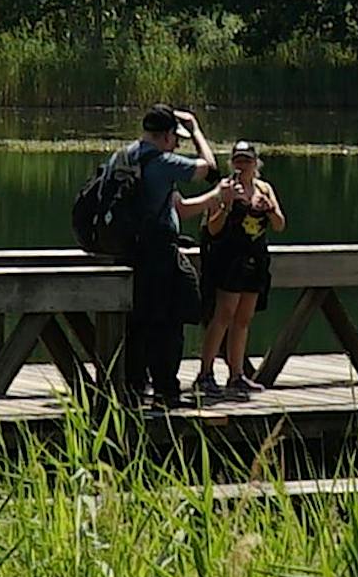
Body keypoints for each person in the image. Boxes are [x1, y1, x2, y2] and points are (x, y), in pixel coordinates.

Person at [120, 104, 232, 410]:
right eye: (176, 137)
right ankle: (166, 391)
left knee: (142, 320)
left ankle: (135, 387)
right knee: (169, 319)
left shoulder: (126, 156)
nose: (178, 143)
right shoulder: (162, 161)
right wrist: (196, 130)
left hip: (133, 252)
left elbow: (179, 208)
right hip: (158, 253)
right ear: (167, 136)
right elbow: (211, 169)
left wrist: (213, 200)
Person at [193, 139, 286, 401]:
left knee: (243, 318)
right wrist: (226, 204)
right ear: (231, 162)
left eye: (247, 160)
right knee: (222, 315)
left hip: (255, 259)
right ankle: (205, 374)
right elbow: (211, 229)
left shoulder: (264, 189)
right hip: (228, 259)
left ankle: (236, 375)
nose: (242, 165)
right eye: (238, 160)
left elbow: (279, 225)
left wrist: (269, 209)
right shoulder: (223, 188)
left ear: (256, 163)